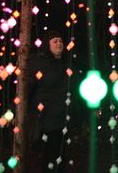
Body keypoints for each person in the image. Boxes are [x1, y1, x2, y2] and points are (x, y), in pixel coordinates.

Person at [27, 30, 74, 173]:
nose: (59, 43)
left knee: (61, 156)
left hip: (64, 119)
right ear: (48, 45)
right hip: (47, 119)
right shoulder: (39, 63)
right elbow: (28, 88)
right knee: (51, 156)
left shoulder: (67, 63)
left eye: (60, 40)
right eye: (55, 41)